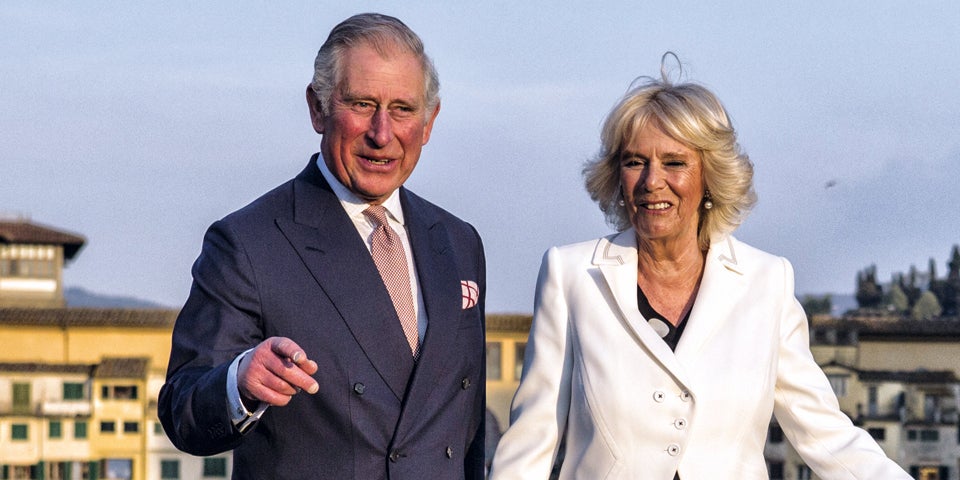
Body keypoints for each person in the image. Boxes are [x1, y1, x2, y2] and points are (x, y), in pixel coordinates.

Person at [488, 54, 909, 479]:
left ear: (709, 176)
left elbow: (828, 438)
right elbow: (530, 446)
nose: (652, 181)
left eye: (674, 162)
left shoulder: (767, 283)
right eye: (635, 162)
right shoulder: (570, 275)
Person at [158, 13, 486, 480]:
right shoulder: (248, 244)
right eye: (362, 104)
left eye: (402, 109)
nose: (382, 133)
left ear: (429, 121)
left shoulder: (458, 242)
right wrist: (240, 384)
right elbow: (183, 410)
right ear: (317, 108)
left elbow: (466, 430)